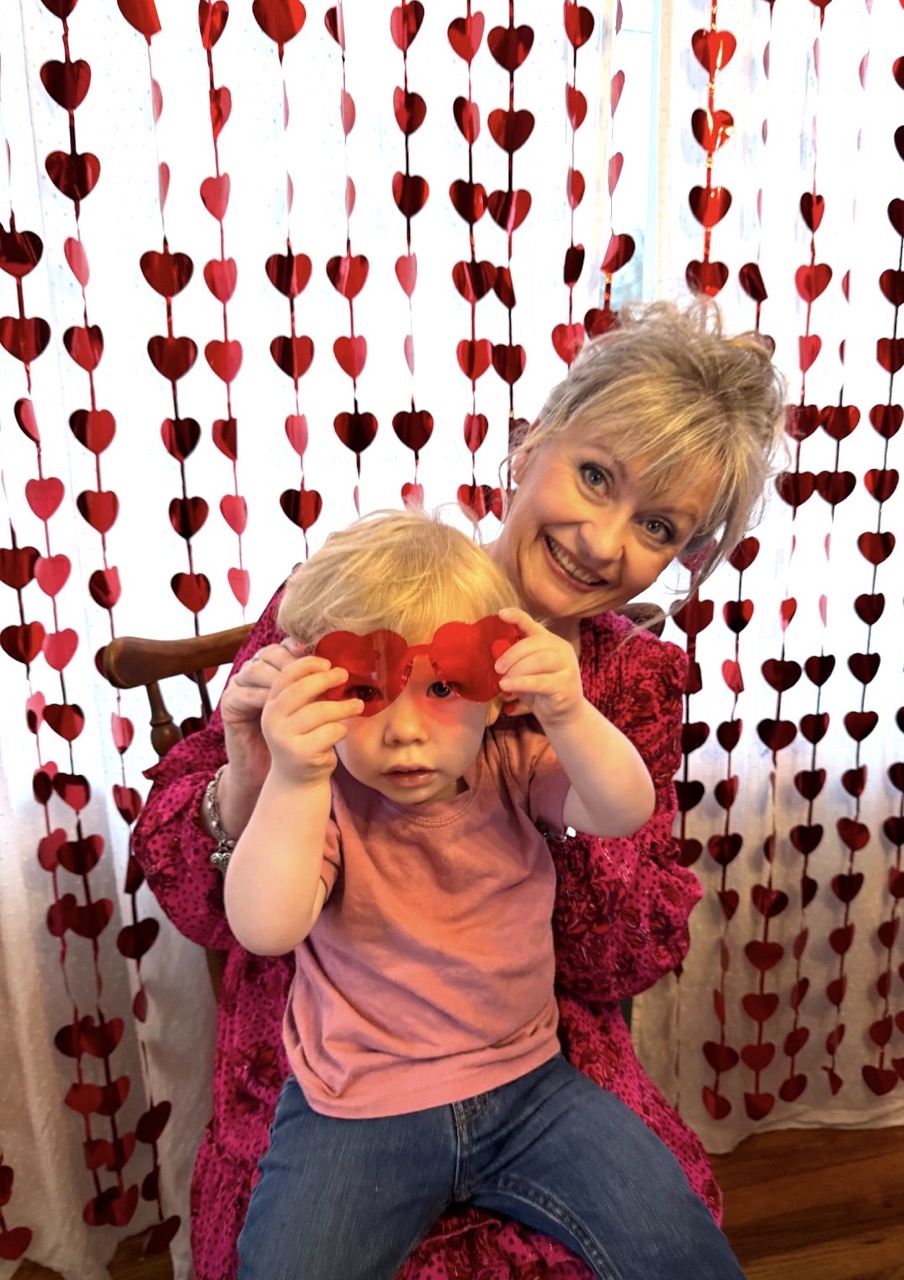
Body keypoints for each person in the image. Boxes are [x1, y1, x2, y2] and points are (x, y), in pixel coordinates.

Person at [132, 298, 785, 1280]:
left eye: (657, 525)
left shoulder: (575, 713)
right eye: (594, 475)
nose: (603, 542)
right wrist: (267, 769)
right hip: (346, 1079)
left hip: (530, 1063)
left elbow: (623, 869)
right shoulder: (355, 601)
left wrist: (568, 712)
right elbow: (233, 911)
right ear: (530, 444)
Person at [225, 510, 743, 1279]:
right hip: (357, 1105)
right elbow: (265, 926)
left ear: (494, 696)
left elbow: (622, 809)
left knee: (680, 1250)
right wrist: (293, 776)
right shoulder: (322, 802)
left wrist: (568, 711)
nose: (404, 731)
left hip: (532, 1087)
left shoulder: (513, 765)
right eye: (365, 690)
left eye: (442, 686)